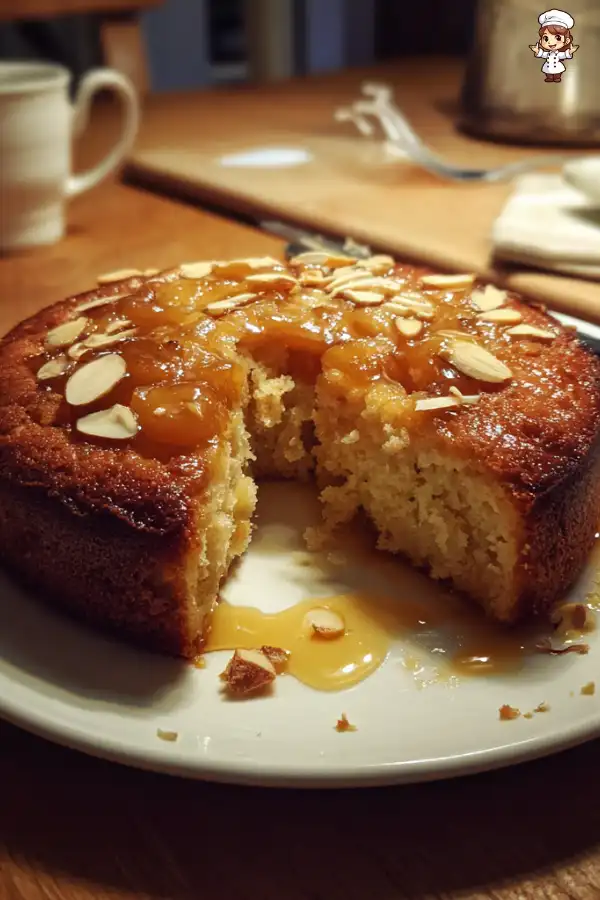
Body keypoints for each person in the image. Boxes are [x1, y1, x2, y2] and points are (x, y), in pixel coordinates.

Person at [529, 9, 579, 83]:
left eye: (558, 38)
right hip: (548, 67)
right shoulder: (548, 53)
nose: (551, 42)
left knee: (557, 73)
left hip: (557, 67)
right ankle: (549, 77)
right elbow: (543, 54)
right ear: (541, 40)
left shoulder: (558, 54)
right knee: (547, 72)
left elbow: (564, 55)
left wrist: (569, 52)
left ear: (567, 41)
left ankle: (557, 77)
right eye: (546, 38)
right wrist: (538, 51)